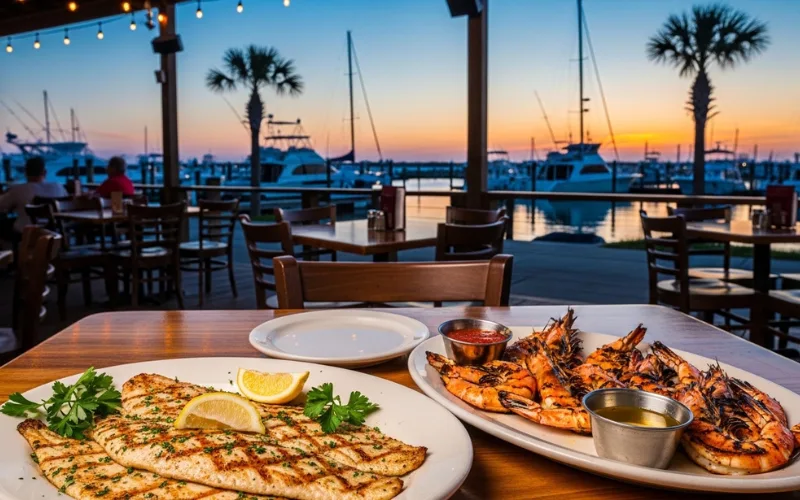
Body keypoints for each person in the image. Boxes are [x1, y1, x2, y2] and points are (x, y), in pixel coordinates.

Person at [0, 157, 68, 234]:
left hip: (28, 230)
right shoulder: (59, 187)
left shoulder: (18, 190)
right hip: (56, 230)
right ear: (45, 172)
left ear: (25, 172)